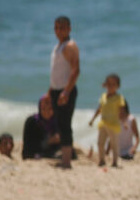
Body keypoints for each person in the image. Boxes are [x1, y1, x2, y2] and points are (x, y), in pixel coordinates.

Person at [49, 15, 80, 169]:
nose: (58, 30)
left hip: (65, 91)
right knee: (60, 126)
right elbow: (56, 72)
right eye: (56, 27)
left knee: (65, 125)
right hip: (56, 90)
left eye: (62, 27)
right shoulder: (58, 47)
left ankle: (67, 161)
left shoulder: (70, 46)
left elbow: (75, 70)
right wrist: (50, 91)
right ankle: (64, 157)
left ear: (69, 29)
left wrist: (66, 92)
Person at [87, 73, 125, 167]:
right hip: (103, 123)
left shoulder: (119, 98)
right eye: (109, 84)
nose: (111, 86)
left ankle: (115, 162)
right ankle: (101, 160)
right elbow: (99, 109)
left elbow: (121, 111)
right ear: (105, 85)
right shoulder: (103, 96)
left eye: (113, 84)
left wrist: (124, 122)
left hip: (113, 124)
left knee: (114, 144)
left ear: (118, 86)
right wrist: (92, 119)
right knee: (100, 143)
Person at [21, 95, 63, 160]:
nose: (47, 112)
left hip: (52, 152)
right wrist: (48, 141)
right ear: (39, 108)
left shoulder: (56, 121)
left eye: (50, 109)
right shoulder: (32, 121)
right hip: (34, 152)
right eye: (43, 108)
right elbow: (28, 146)